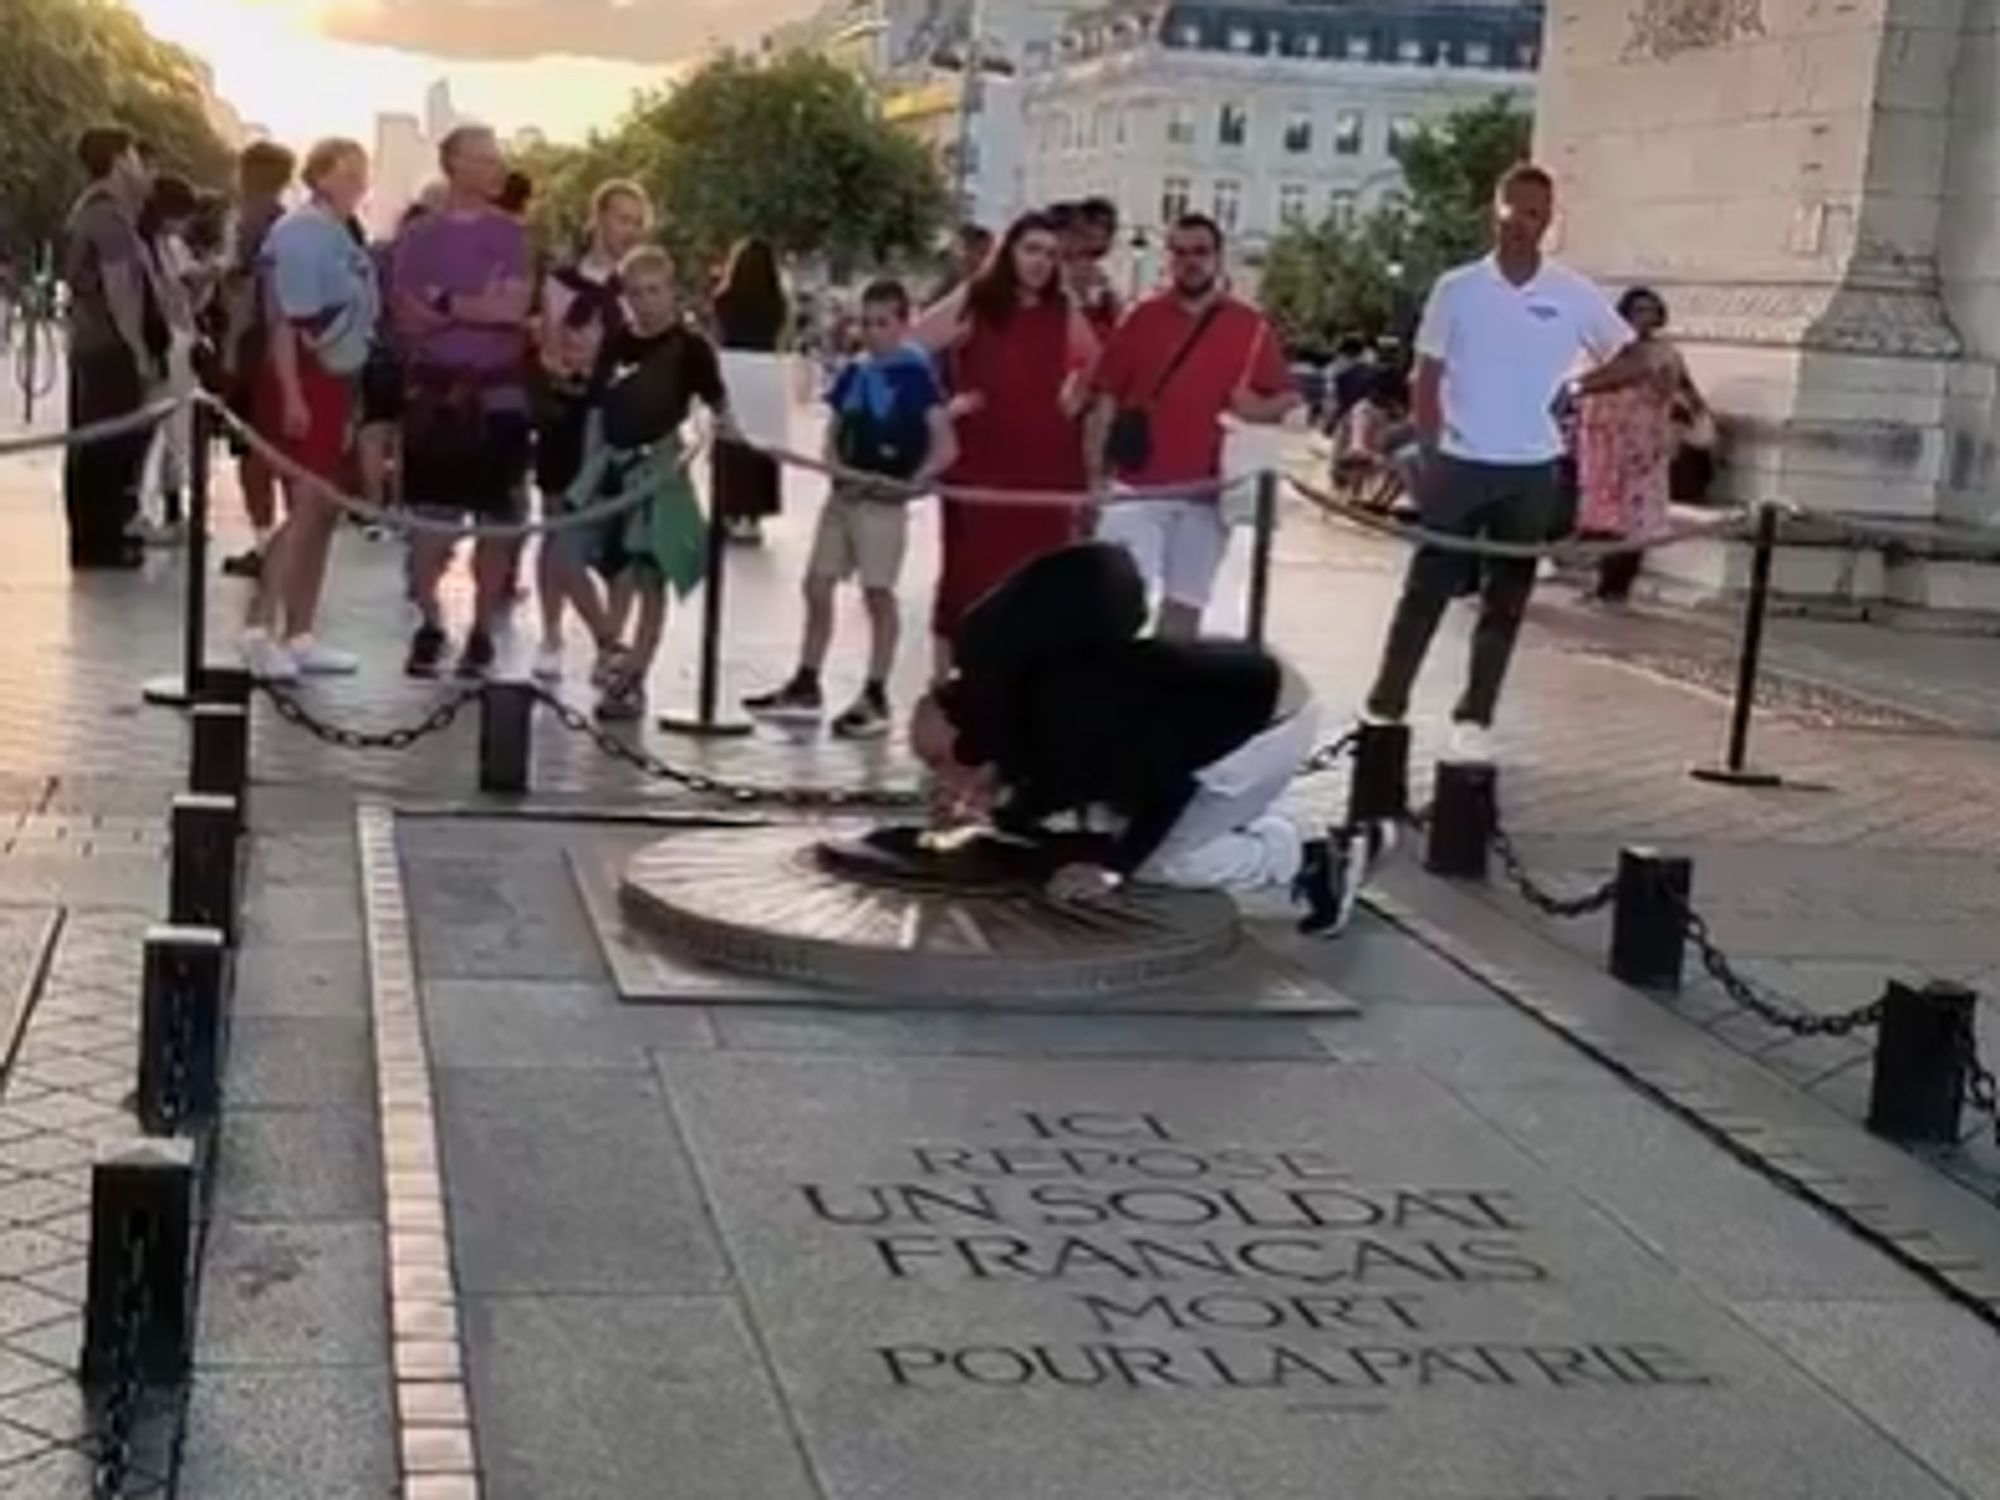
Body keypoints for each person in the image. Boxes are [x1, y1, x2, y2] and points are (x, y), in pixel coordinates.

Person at [908, 541, 1362, 936]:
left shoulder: (1069, 708)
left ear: (979, 740)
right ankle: (1240, 825)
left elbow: (1168, 788)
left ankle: (1309, 859)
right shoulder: (1027, 693)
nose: (939, 779)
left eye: (941, 761)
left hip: (1263, 730)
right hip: (1221, 710)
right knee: (1112, 821)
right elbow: (1046, 783)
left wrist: (1113, 870)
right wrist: (993, 803)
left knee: (1164, 863)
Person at [1361, 162, 1656, 762]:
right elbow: (1428, 374)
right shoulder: (1457, 288)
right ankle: (1386, 704)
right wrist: (1432, 447)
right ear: (1493, 210)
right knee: (1427, 589)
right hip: (1460, 461)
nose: (1519, 223)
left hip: (1531, 468)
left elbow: (1634, 358)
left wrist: (1576, 388)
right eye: (1511, 209)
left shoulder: (1571, 293)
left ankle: (1476, 716)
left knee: (1508, 598)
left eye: (1533, 214)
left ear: (1547, 222)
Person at [743, 278, 956, 739]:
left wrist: (910, 485)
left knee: (878, 593)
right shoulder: (856, 372)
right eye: (868, 322)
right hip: (844, 497)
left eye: (884, 323)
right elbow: (835, 428)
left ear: (903, 323)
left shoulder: (916, 376)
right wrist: (835, 466)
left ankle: (876, 690)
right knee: (817, 585)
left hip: (883, 501)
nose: (874, 332)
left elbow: (944, 444)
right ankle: (806, 680)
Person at [1085, 211, 1297, 639]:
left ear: (1219, 257)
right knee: (1116, 604)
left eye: (1200, 252)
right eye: (1180, 252)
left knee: (1186, 607)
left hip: (1207, 493)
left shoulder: (1250, 327)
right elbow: (1105, 396)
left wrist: (1255, 409)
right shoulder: (1141, 318)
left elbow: (1289, 399)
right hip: (1136, 487)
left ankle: (1161, 700)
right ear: (1168, 258)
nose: (1190, 261)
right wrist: (1095, 479)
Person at [913, 210, 1097, 679]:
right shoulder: (976, 299)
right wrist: (945, 412)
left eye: (1051, 254)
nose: (1040, 262)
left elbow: (1098, 367)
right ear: (1009, 251)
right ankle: (947, 690)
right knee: (966, 580)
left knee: (1037, 583)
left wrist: (1073, 398)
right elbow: (911, 349)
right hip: (982, 464)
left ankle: (1021, 697)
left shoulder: (1064, 309)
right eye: (1031, 249)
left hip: (1046, 467)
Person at [392, 124, 536, 678]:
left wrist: (447, 303)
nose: (497, 168)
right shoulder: (420, 236)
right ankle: (430, 619)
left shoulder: (511, 234)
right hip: (435, 391)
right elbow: (406, 314)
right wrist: (477, 305)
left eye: (497, 159)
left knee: (498, 517)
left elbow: (512, 307)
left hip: (498, 390)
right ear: (455, 164)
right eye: (485, 159)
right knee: (430, 526)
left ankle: (481, 629)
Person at [565, 247, 730, 720]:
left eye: (654, 291)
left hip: (658, 469)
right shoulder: (617, 341)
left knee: (649, 575)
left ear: (671, 291)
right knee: (596, 560)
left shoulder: (691, 346)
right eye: (635, 293)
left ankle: (636, 673)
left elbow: (718, 403)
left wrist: (729, 443)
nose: (645, 302)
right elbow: (598, 406)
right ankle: (611, 651)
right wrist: (587, 473)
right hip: (610, 468)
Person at [237, 137, 380, 681]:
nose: (359, 183)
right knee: (305, 506)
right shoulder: (298, 234)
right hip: (303, 376)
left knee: (321, 512)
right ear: (320, 176)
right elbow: (285, 323)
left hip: (337, 379)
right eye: (349, 173)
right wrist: (294, 394)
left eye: (363, 173)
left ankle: (300, 631)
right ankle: (257, 627)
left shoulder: (338, 234)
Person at [530, 179, 651, 682]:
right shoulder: (560, 281)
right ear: (598, 218)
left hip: (620, 417)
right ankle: (554, 632)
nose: (627, 230)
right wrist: (559, 366)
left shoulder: (643, 283)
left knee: (620, 534)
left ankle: (610, 642)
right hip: (568, 410)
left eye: (636, 221)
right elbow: (545, 344)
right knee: (557, 525)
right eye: (620, 217)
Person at [60, 125, 160, 570]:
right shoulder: (108, 217)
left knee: (93, 442)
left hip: (92, 342)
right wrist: (138, 349)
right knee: (106, 444)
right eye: (136, 157)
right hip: (108, 346)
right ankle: (101, 540)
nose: (141, 168)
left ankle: (96, 538)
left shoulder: (92, 211)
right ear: (119, 160)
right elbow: (121, 291)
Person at [1575, 286, 1708, 607]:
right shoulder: (1608, 348)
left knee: (1636, 520)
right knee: (1605, 518)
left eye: (1650, 310)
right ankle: (1603, 582)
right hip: (1606, 445)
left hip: (1645, 447)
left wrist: (1697, 424)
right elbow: (1586, 382)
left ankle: (1616, 588)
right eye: (1638, 311)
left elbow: (1687, 392)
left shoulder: (1666, 353)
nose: (1644, 317)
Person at [217, 141, 297, 578]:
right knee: (280, 448)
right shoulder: (289, 223)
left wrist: (230, 349)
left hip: (254, 347)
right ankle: (287, 538)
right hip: (283, 348)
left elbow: (247, 290)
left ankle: (267, 541)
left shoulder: (252, 223)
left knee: (253, 450)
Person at [133, 173, 206, 544]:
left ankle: (165, 509)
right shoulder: (161, 248)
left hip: (175, 338)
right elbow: (177, 298)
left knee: (168, 430)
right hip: (172, 341)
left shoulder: (159, 245)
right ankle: (165, 510)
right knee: (171, 430)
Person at [709, 236, 788, 544]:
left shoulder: (724, 299)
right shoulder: (777, 301)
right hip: (766, 373)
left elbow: (718, 336)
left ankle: (729, 511)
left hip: (733, 372)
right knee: (759, 449)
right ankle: (754, 516)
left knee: (731, 447)